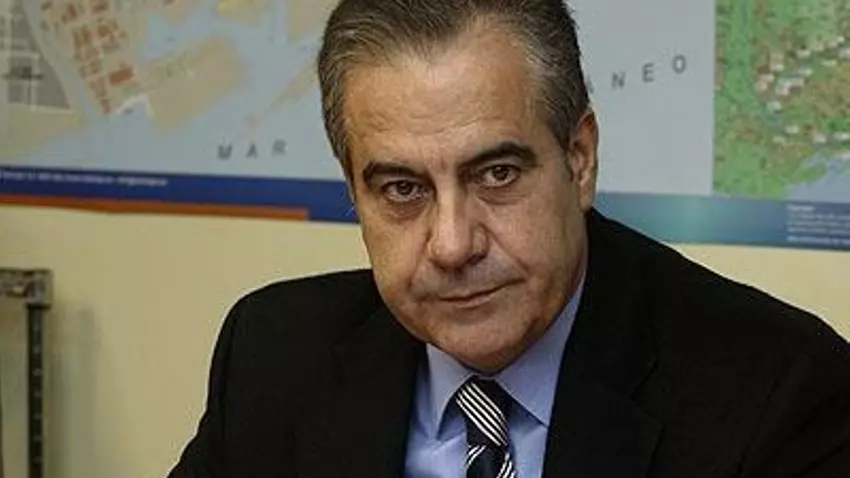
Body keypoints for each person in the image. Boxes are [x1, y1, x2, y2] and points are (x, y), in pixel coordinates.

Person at [166, 1, 850, 477]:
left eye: (497, 174)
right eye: (402, 188)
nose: (452, 245)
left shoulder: (776, 393)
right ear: (354, 190)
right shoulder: (274, 356)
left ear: (579, 159)